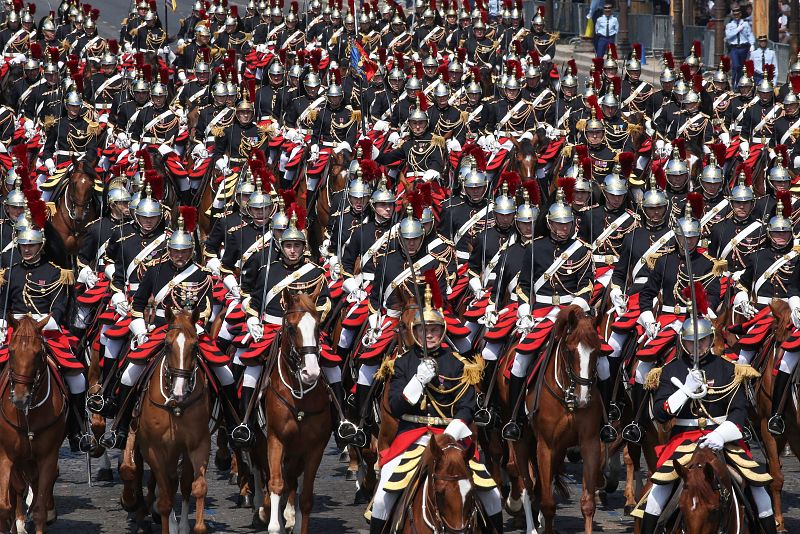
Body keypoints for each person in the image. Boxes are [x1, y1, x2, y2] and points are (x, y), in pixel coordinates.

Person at [367, 277, 503, 534]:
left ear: (441, 332)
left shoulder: (458, 363)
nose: (428, 335)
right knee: (384, 497)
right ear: (415, 333)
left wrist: (452, 433)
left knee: (493, 495)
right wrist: (417, 381)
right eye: (422, 330)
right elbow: (396, 407)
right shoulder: (402, 364)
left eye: (433, 330)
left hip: (450, 439)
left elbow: (467, 405)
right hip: (412, 440)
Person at [637, 294, 776, 534]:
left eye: (701, 341)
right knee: (656, 495)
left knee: (759, 491)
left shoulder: (729, 369)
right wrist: (685, 392)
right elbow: (660, 413)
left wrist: (721, 436)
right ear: (683, 342)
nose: (697, 347)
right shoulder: (671, 370)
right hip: (683, 440)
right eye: (691, 342)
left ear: (710, 340)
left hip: (723, 440)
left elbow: (739, 412)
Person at [725, 5, 754, 87]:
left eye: (737, 14)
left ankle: (739, 84)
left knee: (742, 67)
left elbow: (749, 35)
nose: (736, 16)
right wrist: (737, 29)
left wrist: (752, 44)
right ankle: (734, 83)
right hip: (734, 48)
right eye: (734, 15)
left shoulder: (745, 24)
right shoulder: (730, 25)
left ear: (740, 14)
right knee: (736, 66)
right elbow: (728, 36)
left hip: (744, 47)